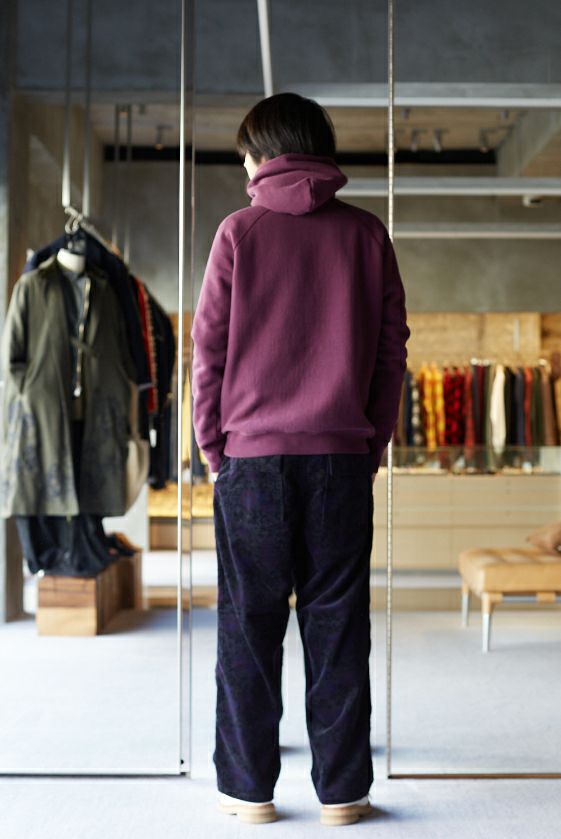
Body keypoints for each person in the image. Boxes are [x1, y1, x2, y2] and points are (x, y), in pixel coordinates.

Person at [191, 91, 410, 826]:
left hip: (251, 462)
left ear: (262, 155)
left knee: (247, 627)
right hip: (339, 461)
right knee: (337, 625)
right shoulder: (367, 234)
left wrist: (214, 448)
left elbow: (208, 352)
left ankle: (248, 791)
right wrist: (369, 442)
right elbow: (390, 353)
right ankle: (343, 793)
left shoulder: (238, 231)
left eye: (246, 156)